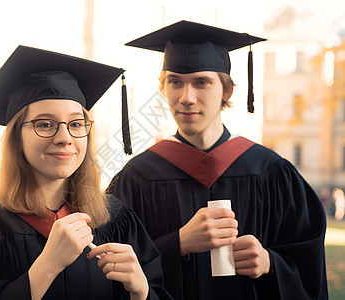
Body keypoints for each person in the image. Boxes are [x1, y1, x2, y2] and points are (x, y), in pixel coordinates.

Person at [0, 45, 172, 300]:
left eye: (76, 124)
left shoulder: (117, 220)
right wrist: (47, 267)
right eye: (45, 124)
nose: (64, 138)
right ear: (16, 137)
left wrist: (142, 292)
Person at [108, 21, 328, 300]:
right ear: (163, 88)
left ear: (227, 91)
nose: (186, 98)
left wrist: (270, 263)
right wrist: (178, 244)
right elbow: (109, 271)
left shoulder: (270, 171)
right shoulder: (136, 177)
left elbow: (309, 268)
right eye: (175, 82)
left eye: (201, 82)